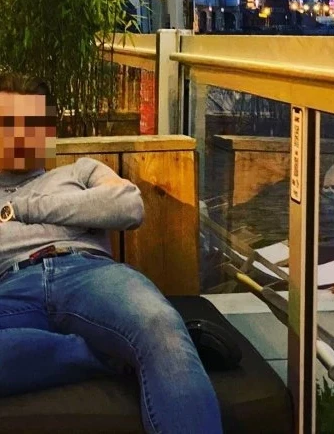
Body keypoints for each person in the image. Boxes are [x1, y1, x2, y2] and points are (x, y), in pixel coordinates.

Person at [0, 73, 223, 434]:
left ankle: (125, 348)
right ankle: (105, 355)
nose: (21, 135)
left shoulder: (80, 171)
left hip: (90, 275)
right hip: (12, 288)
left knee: (158, 324)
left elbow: (127, 205)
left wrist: (20, 209)